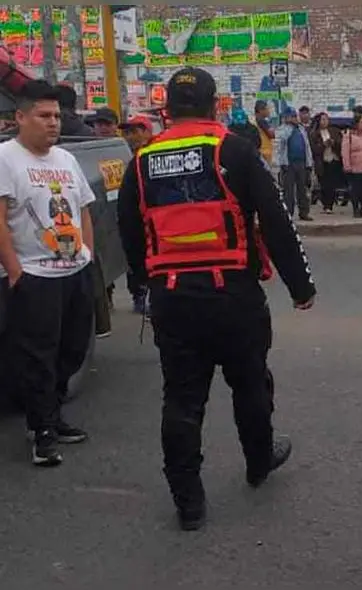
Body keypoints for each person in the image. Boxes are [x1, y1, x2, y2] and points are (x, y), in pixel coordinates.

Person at [116, 67, 317, 531]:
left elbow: (129, 228)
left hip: (172, 296)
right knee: (249, 382)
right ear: (214, 105)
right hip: (233, 293)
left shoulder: (143, 160)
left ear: (167, 109)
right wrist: (300, 287)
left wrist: (145, 282)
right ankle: (259, 461)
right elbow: (275, 219)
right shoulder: (233, 150)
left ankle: (188, 502)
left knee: (182, 398)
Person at [0, 80, 96, 467]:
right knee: (37, 355)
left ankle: (51, 415)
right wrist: (15, 271)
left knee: (72, 350)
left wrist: (87, 254)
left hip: (74, 271)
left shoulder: (66, 160)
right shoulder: (6, 158)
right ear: (20, 118)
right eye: (44, 115)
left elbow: (83, 209)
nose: (53, 123)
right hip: (34, 275)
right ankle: (42, 431)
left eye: (56, 115)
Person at [118, 114, 156, 314]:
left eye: (134, 131)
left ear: (147, 132)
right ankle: (139, 293)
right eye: (126, 132)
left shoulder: (152, 157)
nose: (129, 136)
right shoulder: (124, 158)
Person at [274, 107, 314, 221]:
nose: (294, 119)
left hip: (301, 162)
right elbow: (280, 144)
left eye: (295, 116)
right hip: (288, 163)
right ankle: (288, 213)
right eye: (291, 116)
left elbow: (307, 147)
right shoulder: (282, 129)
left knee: (303, 189)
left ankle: (304, 212)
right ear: (286, 118)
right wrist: (280, 164)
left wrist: (309, 164)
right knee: (288, 191)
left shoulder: (301, 129)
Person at [309, 112, 344, 215]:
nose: (324, 121)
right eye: (322, 119)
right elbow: (314, 150)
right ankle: (326, 205)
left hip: (333, 160)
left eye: (326, 119)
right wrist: (323, 145)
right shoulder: (314, 134)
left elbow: (341, 143)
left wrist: (334, 143)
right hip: (322, 162)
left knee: (332, 184)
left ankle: (330, 205)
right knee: (324, 184)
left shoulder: (334, 131)